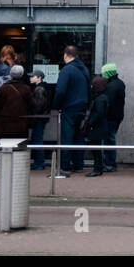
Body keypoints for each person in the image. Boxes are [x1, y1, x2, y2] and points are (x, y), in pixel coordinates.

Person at [53, 45, 90, 174]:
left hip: (69, 107)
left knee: (67, 137)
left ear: (65, 55)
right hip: (82, 107)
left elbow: (60, 91)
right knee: (78, 137)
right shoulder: (84, 69)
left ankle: (65, 165)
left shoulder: (66, 70)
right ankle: (79, 164)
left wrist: (56, 105)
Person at [0, 64, 32, 145]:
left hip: (4, 125)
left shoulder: (4, 88)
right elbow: (31, 106)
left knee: (4, 149)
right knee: (18, 151)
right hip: (21, 125)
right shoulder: (26, 88)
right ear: (22, 75)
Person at [83, 75, 112, 177]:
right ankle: (98, 168)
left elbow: (99, 113)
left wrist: (90, 123)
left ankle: (97, 169)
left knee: (95, 149)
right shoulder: (102, 97)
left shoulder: (100, 98)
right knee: (96, 149)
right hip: (99, 127)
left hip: (97, 127)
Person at [101, 63, 126, 172]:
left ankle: (110, 163)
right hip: (117, 116)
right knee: (110, 138)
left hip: (110, 117)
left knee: (109, 140)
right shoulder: (120, 83)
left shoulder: (111, 86)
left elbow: (108, 102)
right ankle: (110, 163)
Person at [27, 70, 51, 170]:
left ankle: (39, 162)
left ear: (39, 78)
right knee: (37, 139)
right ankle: (39, 162)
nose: (31, 78)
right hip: (41, 117)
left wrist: (33, 116)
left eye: (33, 76)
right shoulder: (42, 88)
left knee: (37, 139)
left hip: (38, 118)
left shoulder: (39, 89)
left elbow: (38, 106)